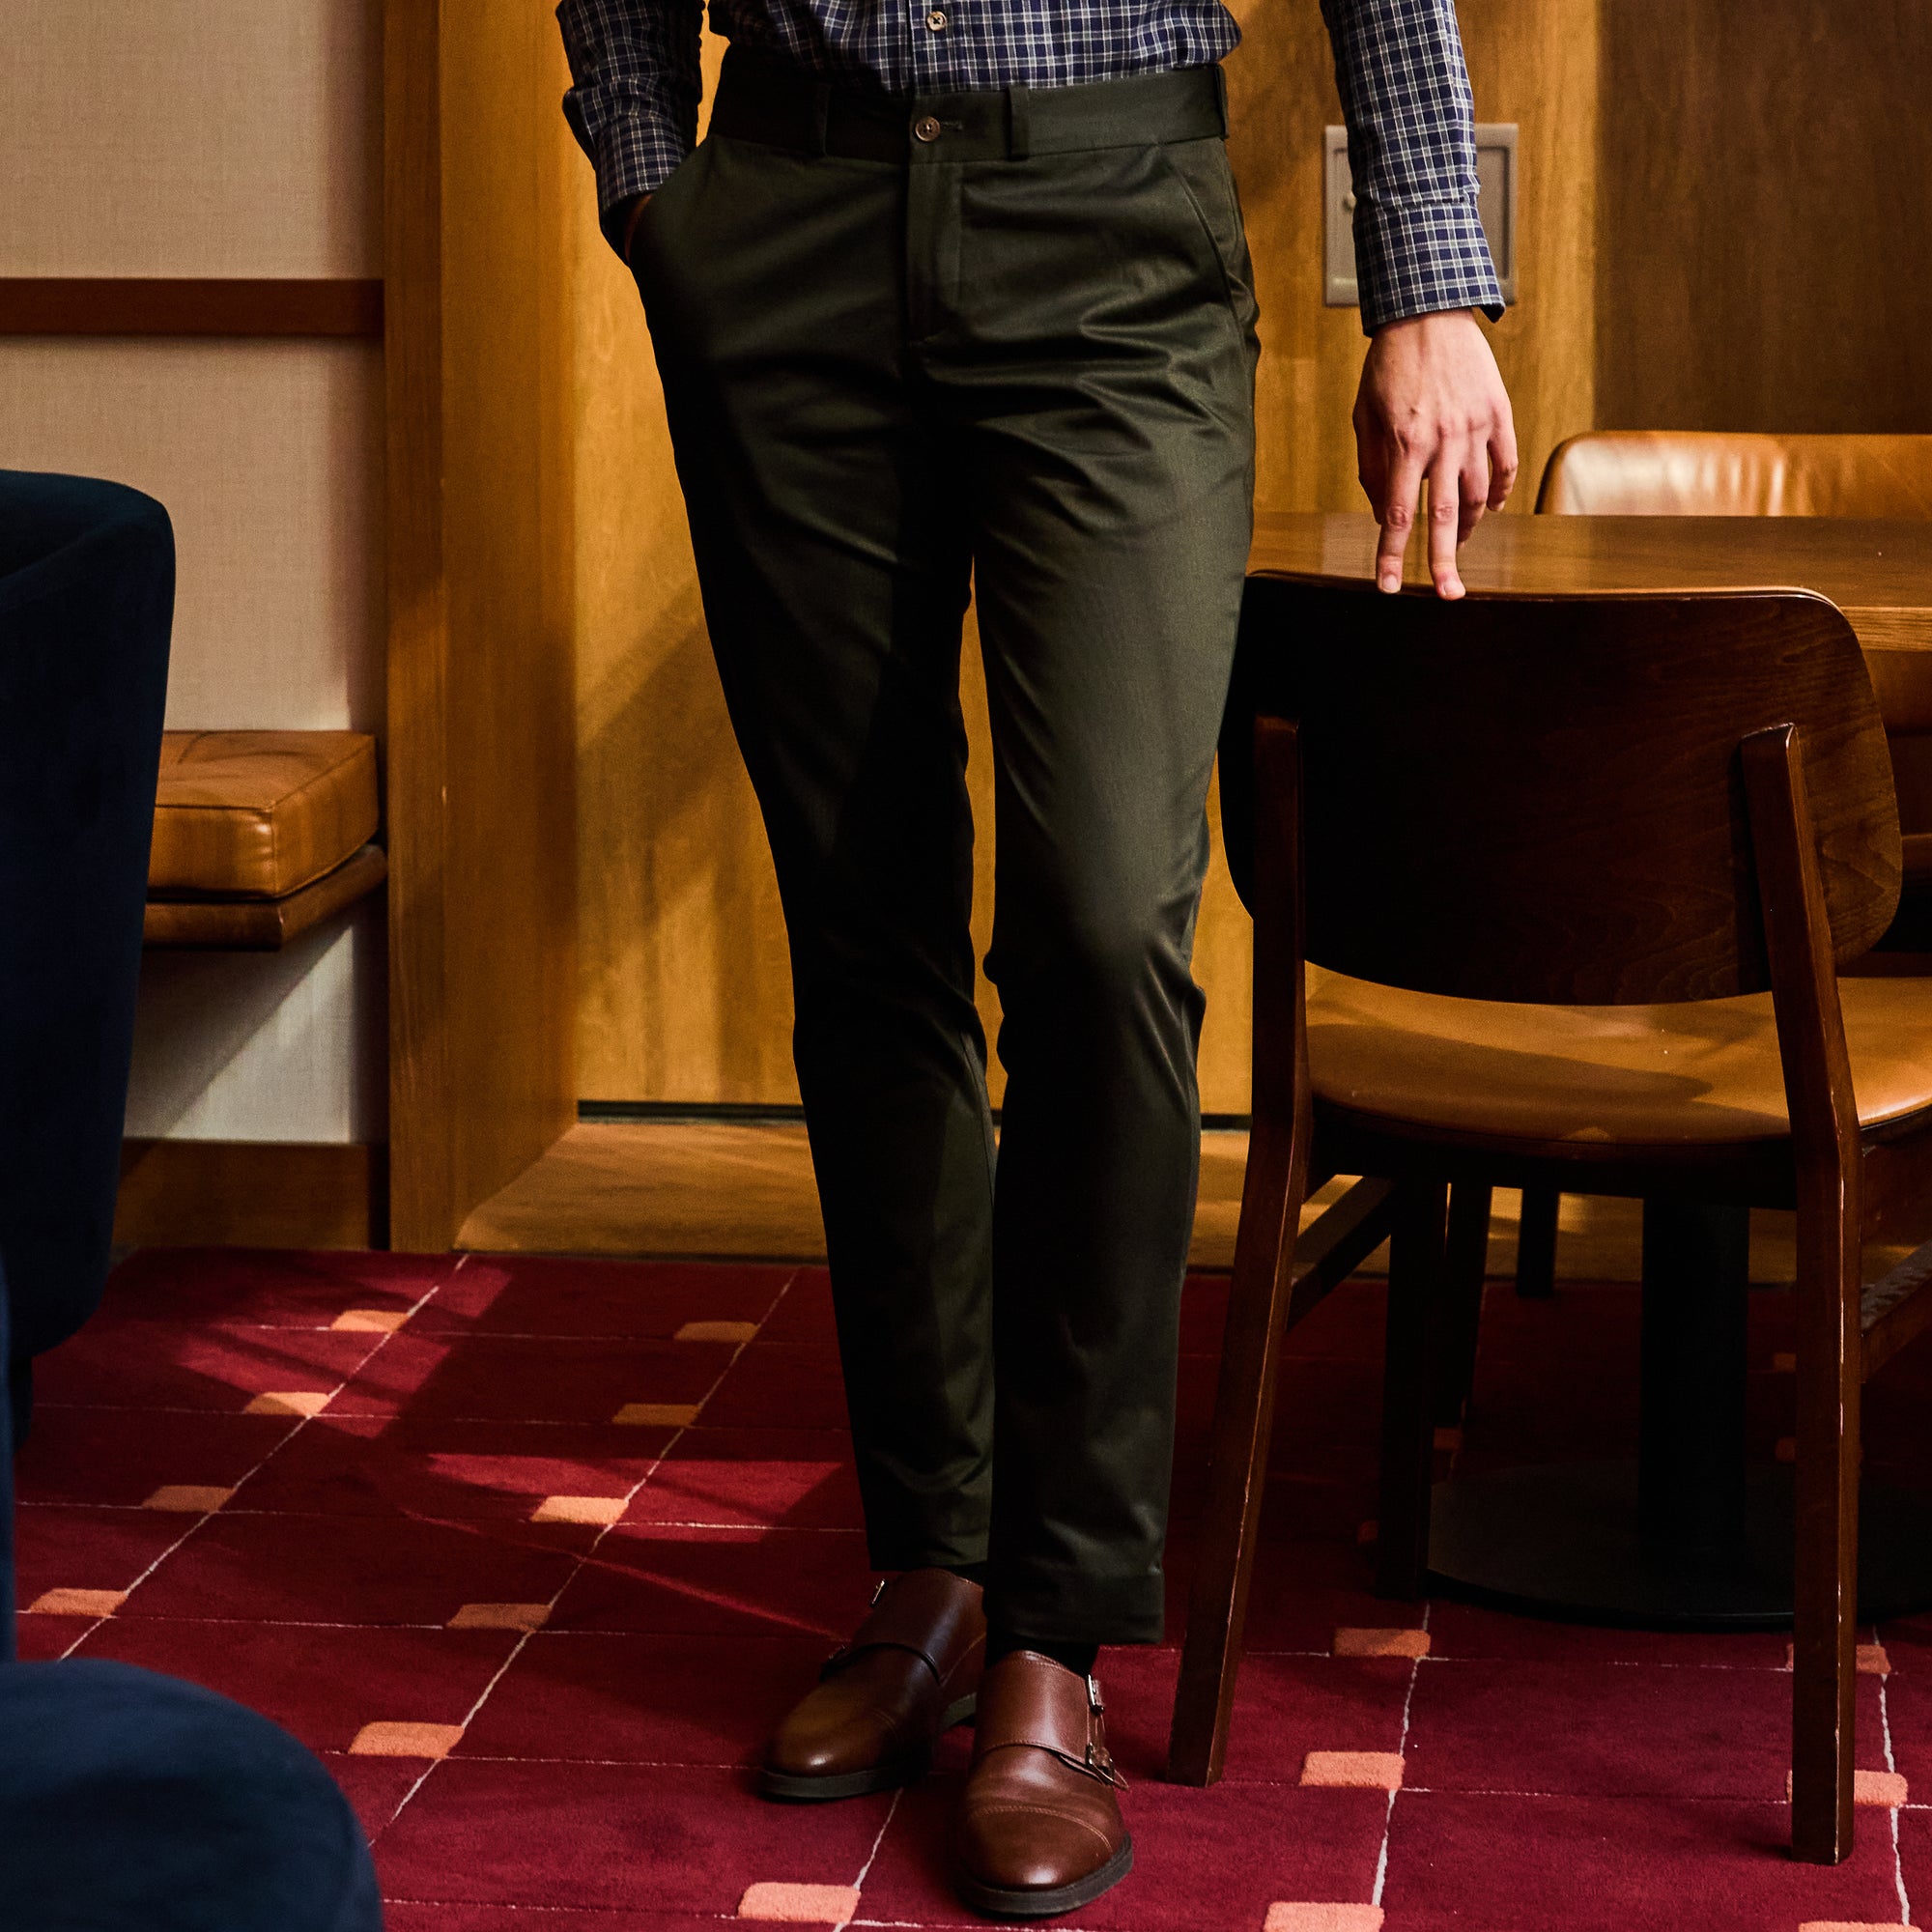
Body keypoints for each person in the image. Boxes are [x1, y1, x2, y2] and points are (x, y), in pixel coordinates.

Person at [555, 0, 1516, 1913]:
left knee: (1098, 928)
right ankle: (933, 1554)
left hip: (1109, 216)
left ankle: (1055, 1628)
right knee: (861, 918)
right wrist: (655, 174)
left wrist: (1426, 274)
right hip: (788, 211)